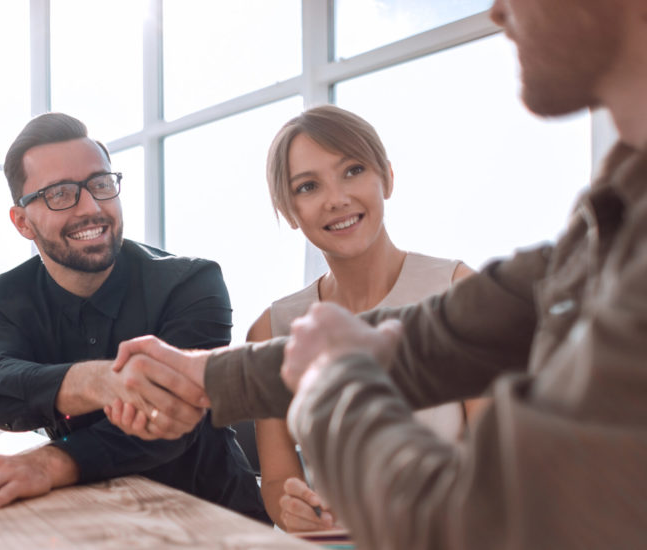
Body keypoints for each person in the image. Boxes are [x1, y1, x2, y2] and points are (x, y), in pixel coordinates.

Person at [104, 0, 647, 547]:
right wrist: (200, 375)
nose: (497, 12)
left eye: (353, 170)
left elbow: (496, 515)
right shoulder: (611, 211)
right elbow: (437, 337)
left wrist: (330, 382)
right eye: (308, 186)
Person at [0, 112, 266, 522]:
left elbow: (174, 416)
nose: (91, 207)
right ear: (22, 222)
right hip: (86, 516)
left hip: (214, 520)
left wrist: (49, 463)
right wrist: (97, 381)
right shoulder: (4, 296)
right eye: (60, 194)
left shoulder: (192, 282)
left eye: (101, 185)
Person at [248, 104, 480, 532]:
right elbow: (279, 478)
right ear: (290, 210)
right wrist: (294, 511)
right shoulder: (272, 328)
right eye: (308, 186)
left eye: (353, 170)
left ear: (387, 177)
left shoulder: (459, 292)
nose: (336, 199)